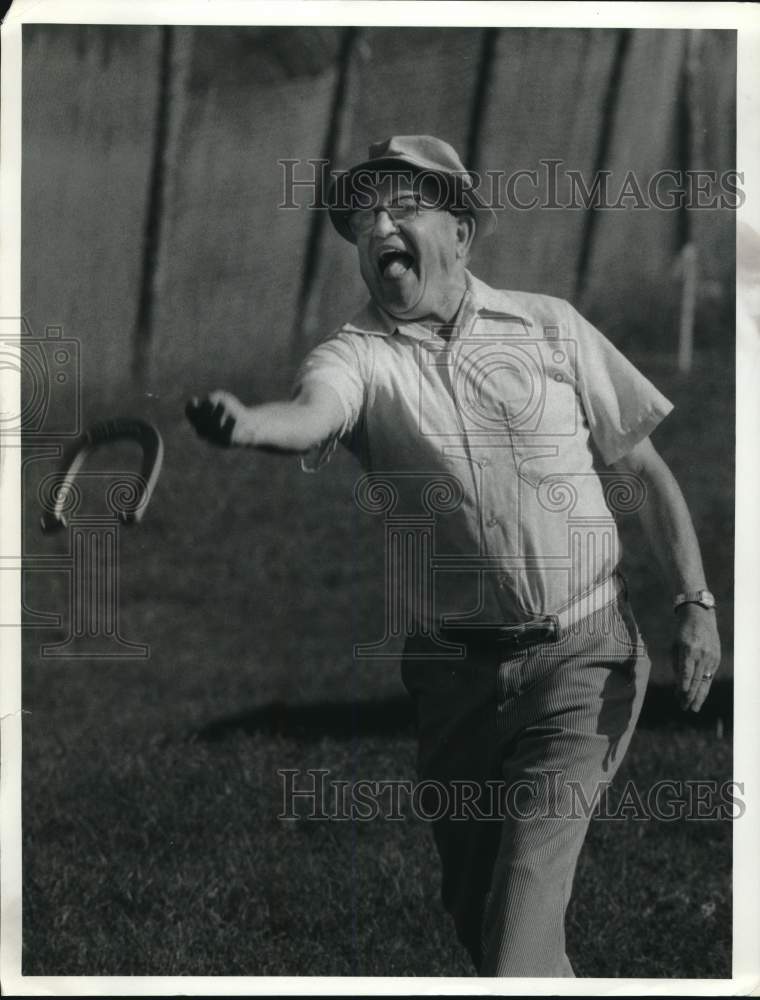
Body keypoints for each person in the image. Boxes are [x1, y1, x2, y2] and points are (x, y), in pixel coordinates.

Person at [186, 135, 721, 977]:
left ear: (463, 233)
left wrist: (695, 604)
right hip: (452, 680)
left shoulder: (549, 327)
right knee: (488, 929)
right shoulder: (356, 355)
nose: (379, 225)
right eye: (365, 213)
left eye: (404, 205)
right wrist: (251, 425)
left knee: (515, 941)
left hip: (584, 660)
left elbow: (643, 469)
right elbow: (315, 411)